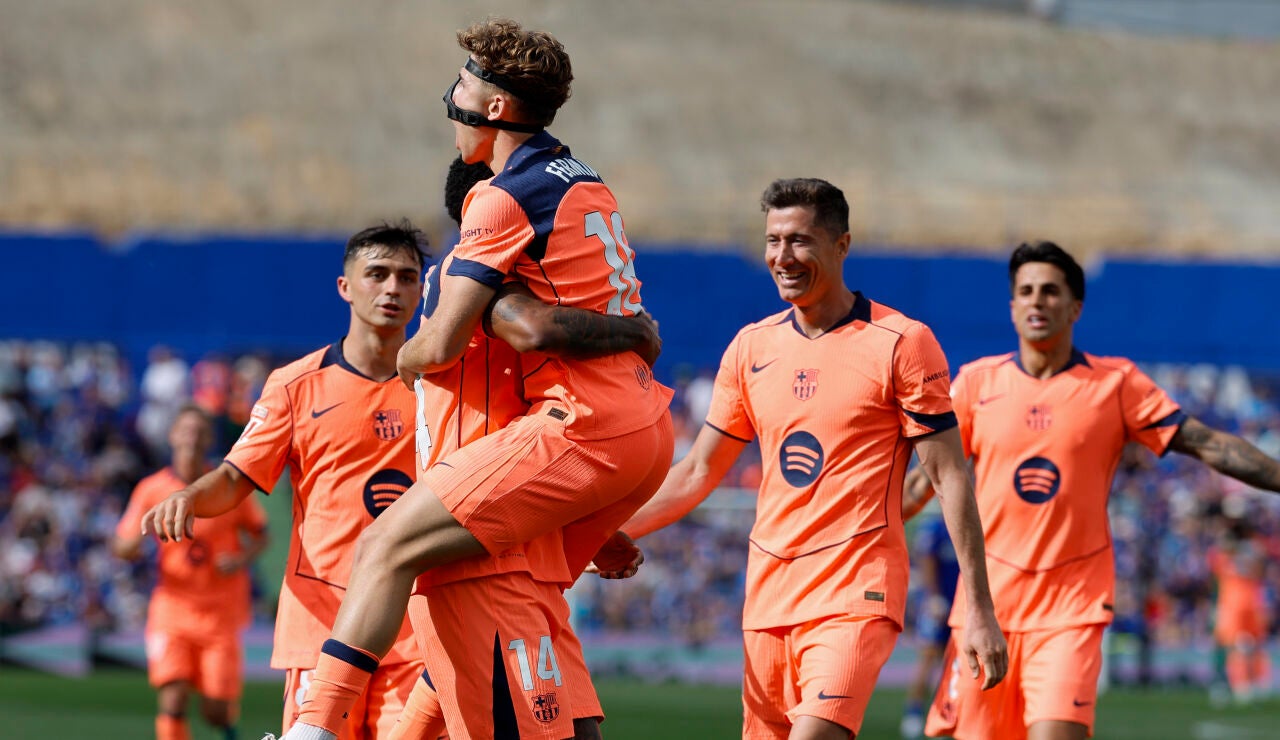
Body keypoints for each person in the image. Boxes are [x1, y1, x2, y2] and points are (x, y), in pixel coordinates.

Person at [279, 18, 676, 740]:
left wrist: (404, 359)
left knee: (387, 547)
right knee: (495, 684)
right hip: (633, 428)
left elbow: (476, 339)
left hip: (577, 433)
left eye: (459, 88)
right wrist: (635, 334)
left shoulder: (497, 215)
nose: (449, 103)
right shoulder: (583, 184)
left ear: (495, 108)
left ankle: (314, 730)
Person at [600, 178, 1007, 740]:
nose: (782, 256)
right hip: (768, 601)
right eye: (773, 240)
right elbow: (698, 471)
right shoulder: (751, 347)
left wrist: (979, 608)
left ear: (841, 245)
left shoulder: (901, 342)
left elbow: (949, 477)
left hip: (855, 594)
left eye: (799, 240)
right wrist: (610, 531)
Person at [904, 241, 1280, 740]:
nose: (1037, 301)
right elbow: (921, 483)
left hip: (1071, 609)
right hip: (985, 609)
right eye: (1026, 291)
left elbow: (1209, 444)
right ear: (1012, 306)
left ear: (1075, 306)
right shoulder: (976, 384)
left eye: (1050, 291)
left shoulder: (1115, 385)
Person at [387, 156, 660, 740]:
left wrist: (588, 523)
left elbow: (532, 440)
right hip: (490, 550)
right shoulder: (481, 289)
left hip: (519, 544)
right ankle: (315, 723)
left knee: (573, 728)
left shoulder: (475, 290)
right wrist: (634, 331)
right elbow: (538, 334)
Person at [113, 403, 268, 740]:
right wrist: (134, 544)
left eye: (199, 431)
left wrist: (241, 559)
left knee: (216, 711)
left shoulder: (224, 486)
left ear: (209, 439)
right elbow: (122, 545)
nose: (192, 437)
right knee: (173, 695)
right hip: (173, 608)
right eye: (186, 430)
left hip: (220, 612)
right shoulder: (151, 489)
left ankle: (226, 723)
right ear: (172, 436)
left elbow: (261, 534)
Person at [899, 486, 959, 739]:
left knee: (957, 664)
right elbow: (927, 562)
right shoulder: (936, 528)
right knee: (928, 658)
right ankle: (913, 712)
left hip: (960, 606)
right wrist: (933, 598)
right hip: (938, 605)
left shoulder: (965, 525)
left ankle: (950, 714)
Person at [1207, 516, 1271, 706]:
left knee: (1248, 643)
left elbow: (1258, 571)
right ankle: (1231, 682)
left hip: (1246, 602)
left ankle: (1251, 681)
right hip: (1231, 603)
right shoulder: (1224, 552)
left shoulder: (1252, 549)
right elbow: (1216, 571)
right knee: (1231, 644)